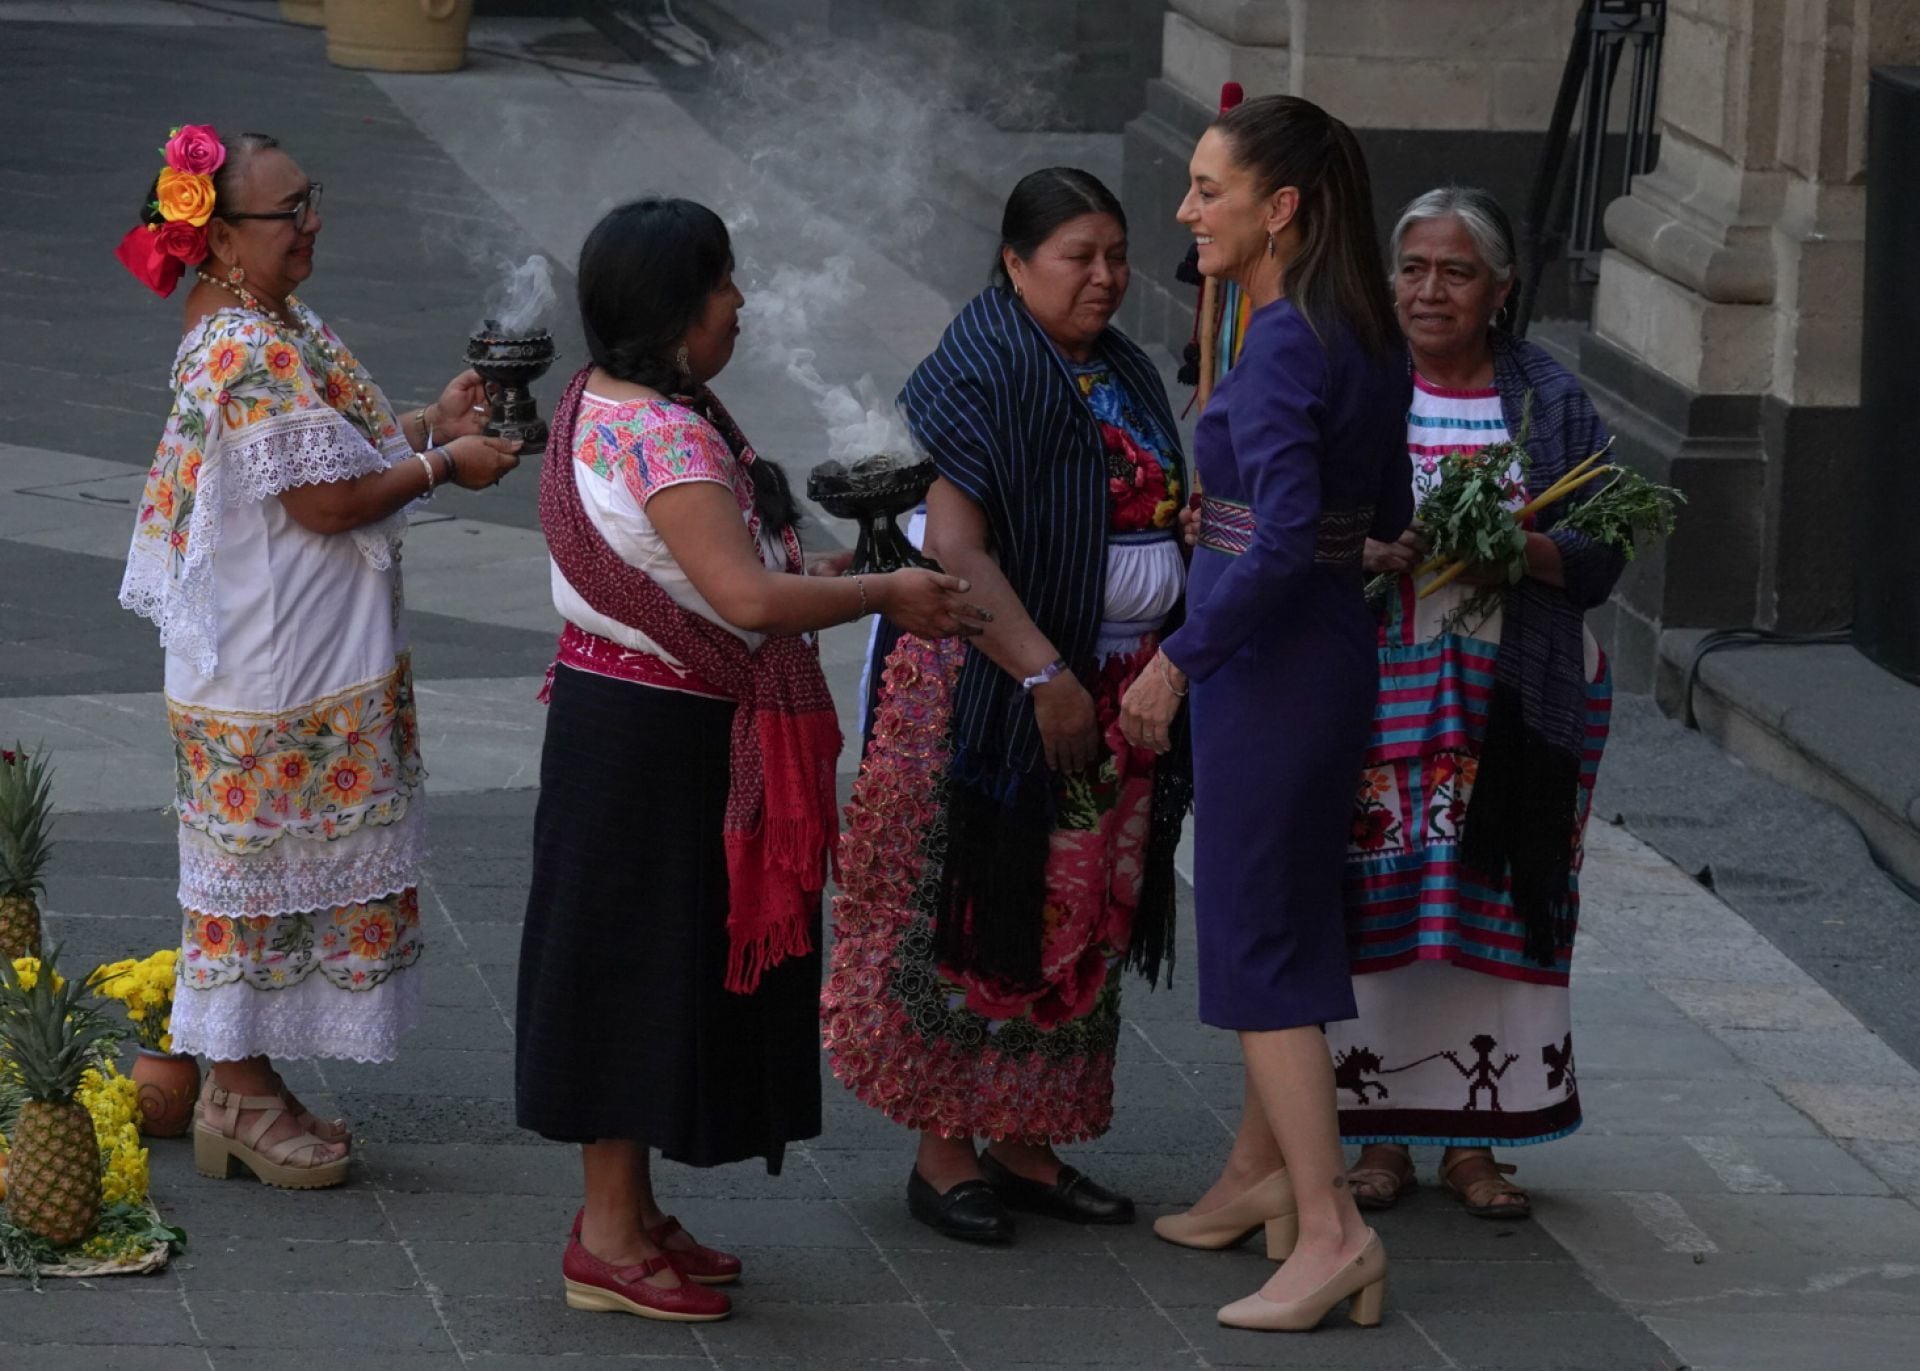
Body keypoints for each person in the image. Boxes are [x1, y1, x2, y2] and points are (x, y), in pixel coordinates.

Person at [514, 198, 981, 1323]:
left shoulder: (602, 402)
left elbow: (719, 567)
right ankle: (610, 1236)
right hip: (657, 741)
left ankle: (627, 1213)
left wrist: (830, 564)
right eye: (723, 284)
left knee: (641, 961)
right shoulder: (669, 432)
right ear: (679, 310)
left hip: (617, 720)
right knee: (636, 970)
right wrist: (884, 592)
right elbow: (743, 597)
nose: (741, 302)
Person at [115, 126, 522, 1190]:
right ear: (213, 239)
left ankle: (248, 1086)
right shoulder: (247, 345)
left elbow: (330, 441)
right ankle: (238, 1090)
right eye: (286, 211)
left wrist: (433, 417)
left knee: (274, 875)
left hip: (291, 659)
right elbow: (326, 498)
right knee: (255, 879)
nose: (311, 224)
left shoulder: (270, 321)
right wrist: (442, 463)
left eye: (312, 198)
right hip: (273, 671)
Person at [823, 167, 1193, 1246]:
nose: (1108, 278)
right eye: (1080, 257)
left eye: (1117, 255)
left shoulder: (1119, 367)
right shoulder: (984, 366)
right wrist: (1045, 674)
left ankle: (1029, 1142)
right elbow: (958, 550)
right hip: (995, 692)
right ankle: (945, 1153)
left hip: (1117, 698)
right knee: (976, 905)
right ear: (1016, 261)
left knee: (1079, 911)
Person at [1119, 96, 1413, 1333]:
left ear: (1279, 208)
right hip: (1320, 646)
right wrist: (1225, 510)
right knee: (1283, 919)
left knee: (1262, 948)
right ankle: (1262, 1181)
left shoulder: (1293, 338)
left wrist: (1178, 658)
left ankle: (1333, 1226)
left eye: (1206, 189)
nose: (1186, 212)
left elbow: (1291, 533)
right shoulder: (1359, 328)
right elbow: (1364, 510)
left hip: (1272, 665)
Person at [1335, 186, 1621, 1219]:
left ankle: (1474, 1144)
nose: (1428, 290)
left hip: (1517, 699)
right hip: (1380, 699)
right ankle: (1375, 1137)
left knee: (1493, 904)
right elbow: (1298, 514)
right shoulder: (1361, 385)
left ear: (1499, 291)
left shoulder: (1549, 400)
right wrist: (1363, 547)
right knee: (1382, 909)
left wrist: (1526, 549)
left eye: (1456, 272)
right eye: (1412, 267)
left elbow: (1603, 548)